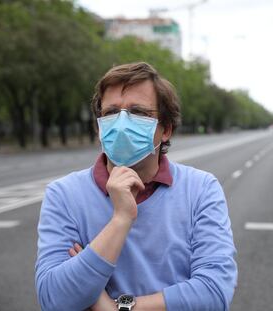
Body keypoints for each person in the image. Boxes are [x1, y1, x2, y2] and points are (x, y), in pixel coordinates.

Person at [35, 62, 237, 311]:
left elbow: (214, 293)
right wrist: (121, 219)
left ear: (166, 130)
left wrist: (114, 306)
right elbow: (54, 299)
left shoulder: (202, 189)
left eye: (138, 112)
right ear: (99, 127)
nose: (121, 124)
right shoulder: (63, 194)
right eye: (110, 113)